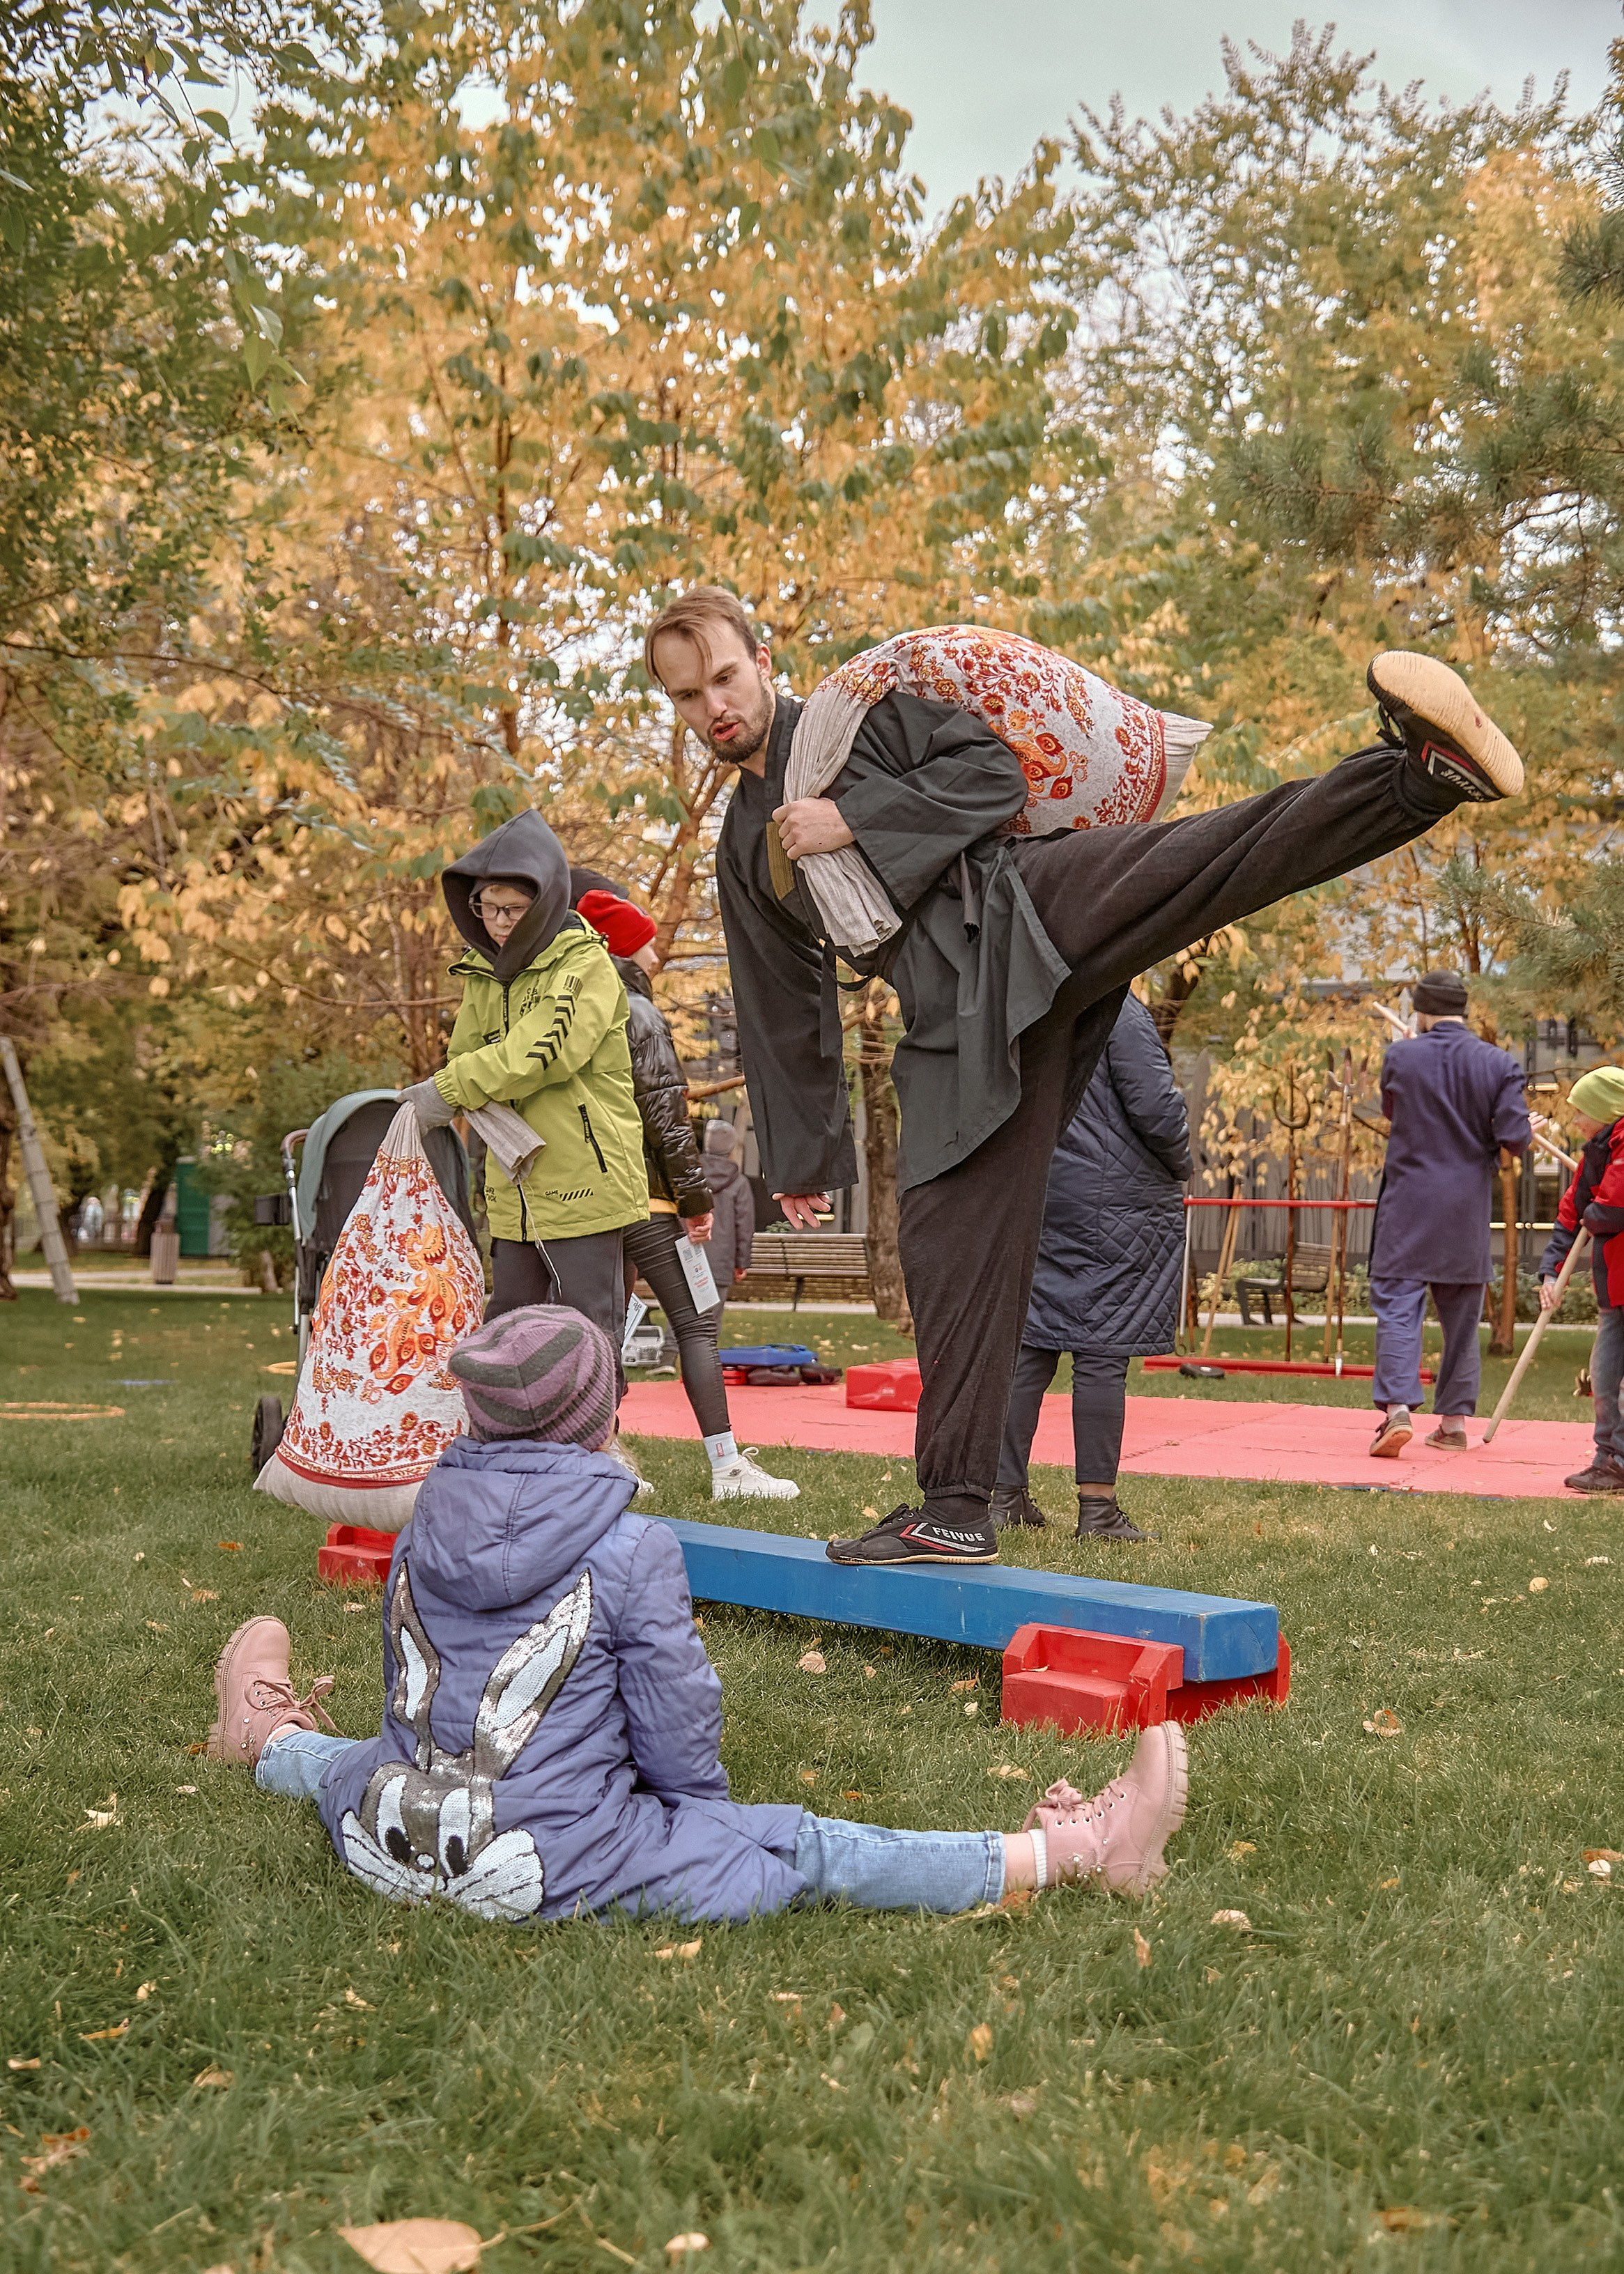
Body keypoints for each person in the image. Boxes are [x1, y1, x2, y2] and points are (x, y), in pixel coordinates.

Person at [643, 586, 1526, 1564]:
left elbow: (987, 776)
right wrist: (802, 1157)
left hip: (1024, 904)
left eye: (723, 677)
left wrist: (850, 818)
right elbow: (779, 1000)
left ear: (763, 660)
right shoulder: (744, 846)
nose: (713, 706)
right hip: (954, 1022)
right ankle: (956, 1508)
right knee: (945, 1249)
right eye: (686, 696)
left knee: (1206, 858)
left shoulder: (857, 721)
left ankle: (1416, 778)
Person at [206, 1304, 1189, 1918]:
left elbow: (417, 1700)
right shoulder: (631, 1548)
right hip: (546, 1862)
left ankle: (264, 1738)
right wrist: (706, 1825)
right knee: (802, 1845)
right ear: (603, 1421)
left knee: (348, 1761)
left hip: (388, 1834)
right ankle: (1071, 1852)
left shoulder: (421, 1526)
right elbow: (675, 1734)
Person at [569, 871, 798, 1502]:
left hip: (586, 1198)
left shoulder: (573, 1010)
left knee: (602, 1328)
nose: (656, 953)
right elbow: (667, 1118)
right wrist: (695, 1202)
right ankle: (727, 1469)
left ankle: (602, 1460)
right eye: (645, 941)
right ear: (621, 947)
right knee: (695, 1325)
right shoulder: (638, 1011)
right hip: (645, 1198)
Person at [398, 810, 647, 1354]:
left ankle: (596, 1417)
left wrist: (449, 1090)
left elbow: (539, 1054)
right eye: (487, 909)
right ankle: (504, 1418)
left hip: (585, 1185)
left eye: (513, 909)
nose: (498, 922)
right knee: (506, 1337)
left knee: (587, 1338)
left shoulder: (585, 964)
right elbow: (464, 1056)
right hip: (514, 1189)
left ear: (547, 901)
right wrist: (459, 1083)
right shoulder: (482, 974)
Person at [993, 992, 1191, 1542]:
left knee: (1030, 1344)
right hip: (1118, 1198)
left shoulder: (1026, 999)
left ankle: (1003, 1494)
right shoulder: (1117, 1006)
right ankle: (1097, 1508)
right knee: (1102, 1349)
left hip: (1040, 1188)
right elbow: (1155, 1106)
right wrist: (1180, 1162)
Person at [1366, 970, 1532, 1458]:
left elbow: (1393, 1112)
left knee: (1398, 1305)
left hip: (1408, 1203)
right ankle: (1454, 1424)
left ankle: (1397, 1409)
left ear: (1420, 1011)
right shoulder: (1498, 1063)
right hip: (1465, 1207)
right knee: (1461, 1316)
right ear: (1463, 1010)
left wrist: (1409, 1057)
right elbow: (1514, 1140)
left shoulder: (1401, 1056)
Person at [1537, 1065, 1624, 1495]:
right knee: (1604, 1378)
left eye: (1580, 1111)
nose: (1575, 1120)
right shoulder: (1596, 1153)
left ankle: (1620, 1462)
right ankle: (1607, 1459)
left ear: (1605, 1110)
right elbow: (1574, 1214)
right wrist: (1551, 1272)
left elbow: (1611, 1211)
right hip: (1615, 1288)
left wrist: (1594, 1208)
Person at [698, 1121, 759, 1304]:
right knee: (713, 1318)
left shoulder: (690, 1177)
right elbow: (744, 1226)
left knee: (682, 1317)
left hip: (688, 1260)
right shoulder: (739, 1183)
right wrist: (741, 1263)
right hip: (721, 1261)